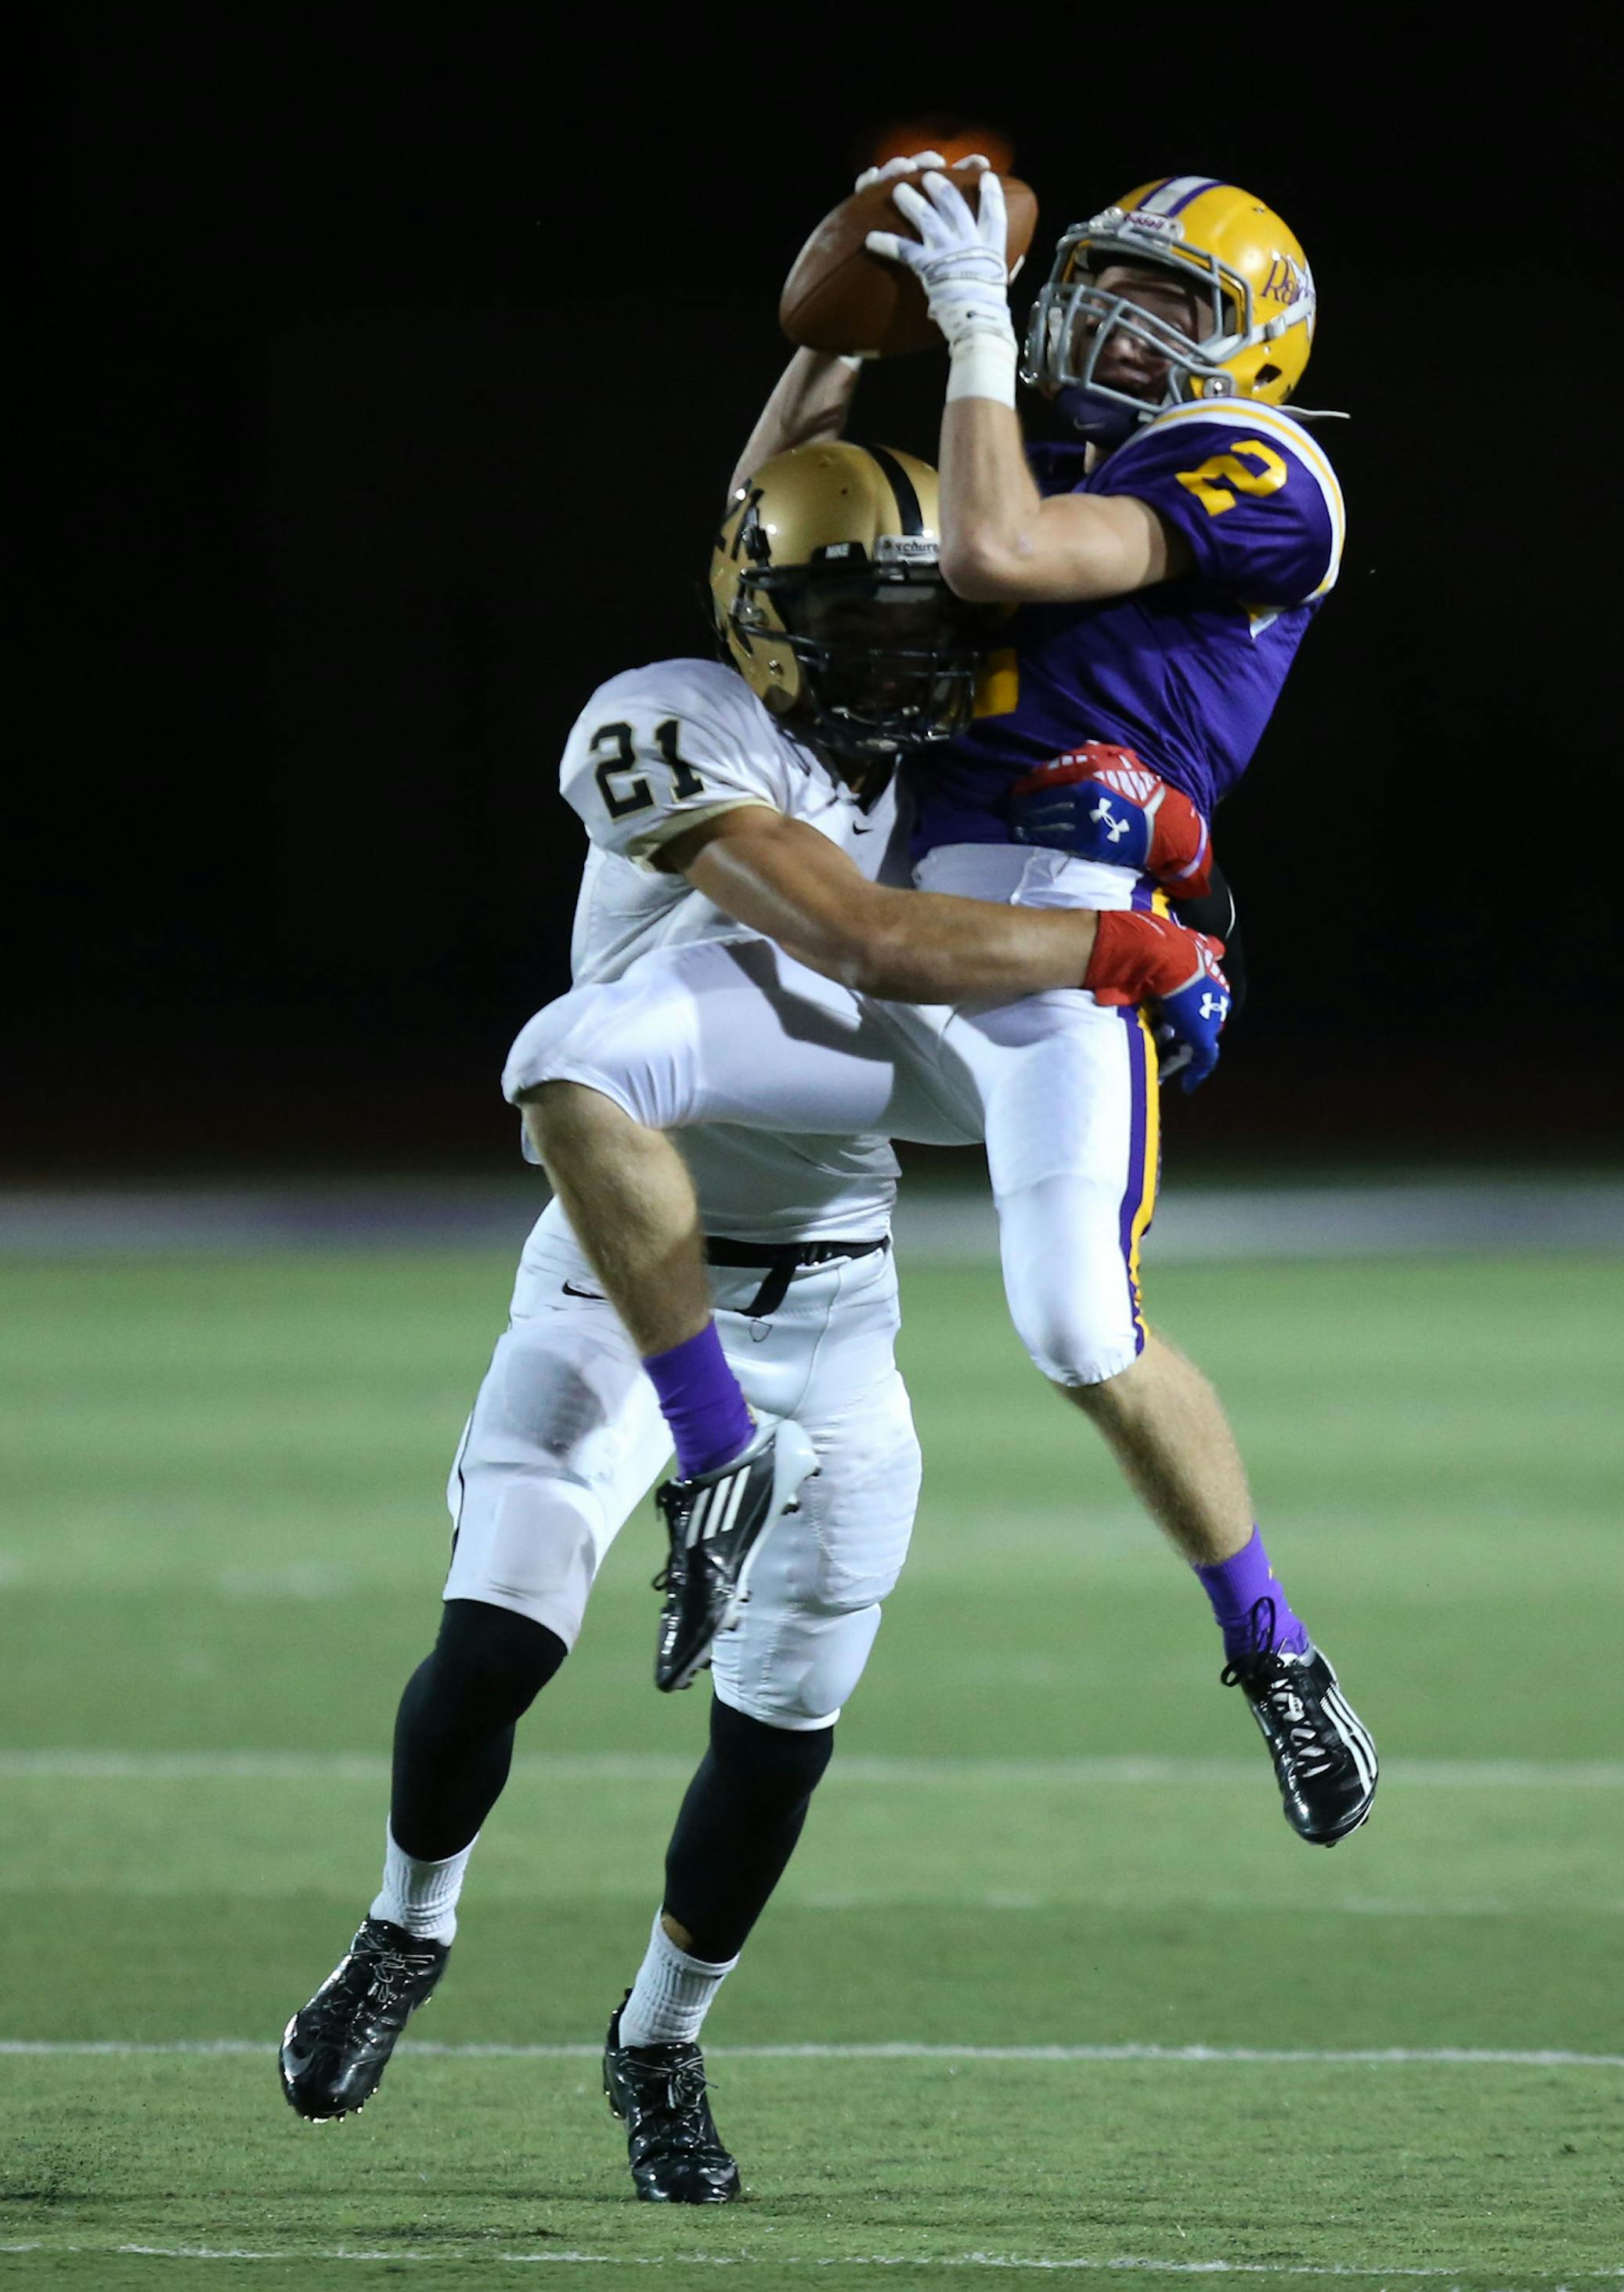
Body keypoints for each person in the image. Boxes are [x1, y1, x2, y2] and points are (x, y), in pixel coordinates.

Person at [278, 441, 1228, 2203]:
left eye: (920, 620)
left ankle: (657, 2043)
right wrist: (1143, 959)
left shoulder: (957, 767)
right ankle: (409, 1925)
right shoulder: (672, 722)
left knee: (779, 1738)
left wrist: (1173, 881)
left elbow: (1100, 841)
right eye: (854, 624)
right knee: (499, 1640)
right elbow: (871, 938)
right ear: (765, 617)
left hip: (844, 1316)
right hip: (623, 1299)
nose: (898, 661)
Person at [504, 164, 1377, 1862]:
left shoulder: (1265, 471)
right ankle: (714, 1455)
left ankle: (1274, 1654)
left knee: (1072, 1327)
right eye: (1105, 283)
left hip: (1052, 950)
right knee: (582, 1057)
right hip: (888, 924)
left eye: (1175, 305)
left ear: (1258, 346)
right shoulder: (1017, 433)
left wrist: (973, 321)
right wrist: (840, 345)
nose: (1116, 319)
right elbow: (766, 537)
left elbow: (994, 552)